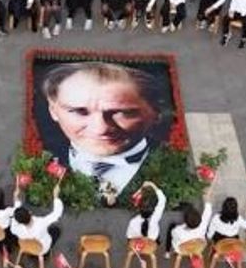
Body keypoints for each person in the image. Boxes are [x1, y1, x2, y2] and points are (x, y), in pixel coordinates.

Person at [38, 61, 170, 193]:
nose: (100, 129)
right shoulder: (36, 160)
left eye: (121, 113)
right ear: (53, 111)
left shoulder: (178, 163)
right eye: (79, 111)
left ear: (156, 112)